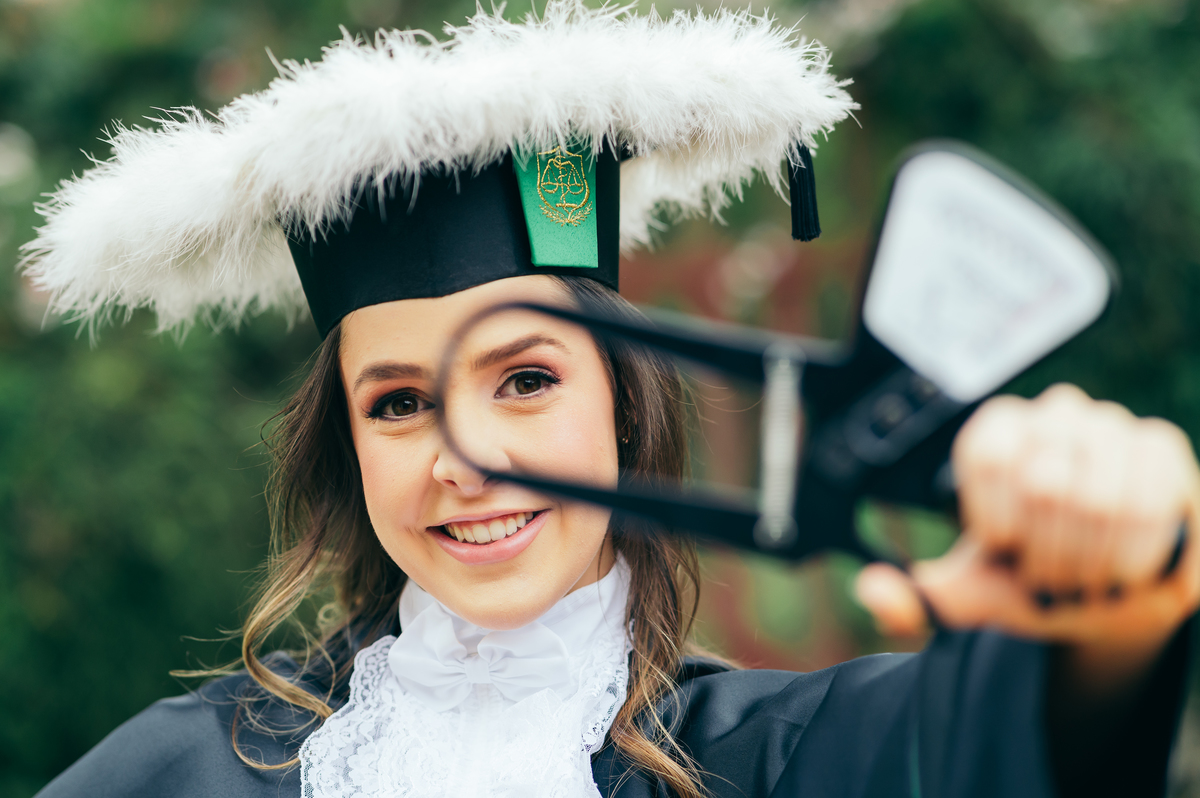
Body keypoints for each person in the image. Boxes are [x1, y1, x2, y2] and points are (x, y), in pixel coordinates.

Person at [20, 3, 1199, 797]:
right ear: (345, 448)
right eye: (394, 404)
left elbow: (1039, 740)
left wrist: (1125, 584)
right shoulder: (183, 774)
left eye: (526, 380)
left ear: (623, 410)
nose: (461, 457)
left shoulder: (790, 759)